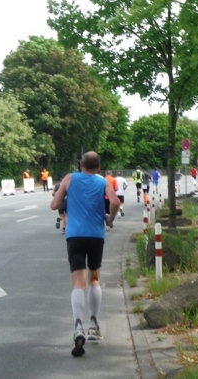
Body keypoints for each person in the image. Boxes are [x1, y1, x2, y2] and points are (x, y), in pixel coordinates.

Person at [50, 152, 119, 357]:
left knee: (78, 282)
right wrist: (110, 220)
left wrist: (67, 200)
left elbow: (54, 205)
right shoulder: (103, 182)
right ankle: (93, 326)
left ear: (81, 164)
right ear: (99, 167)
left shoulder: (69, 179)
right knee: (94, 278)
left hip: (75, 235)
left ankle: (78, 326)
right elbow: (115, 202)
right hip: (96, 235)